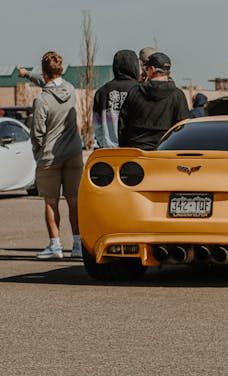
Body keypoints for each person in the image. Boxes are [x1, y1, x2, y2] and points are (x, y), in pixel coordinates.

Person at [18, 51, 83, 258]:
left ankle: (55, 245)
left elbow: (37, 133)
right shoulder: (71, 90)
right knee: (74, 201)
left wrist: (38, 154)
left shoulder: (42, 101)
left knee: (51, 202)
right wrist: (28, 75)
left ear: (45, 73)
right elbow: (48, 82)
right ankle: (78, 244)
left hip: (50, 158)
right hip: (73, 154)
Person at [118, 52, 189, 150]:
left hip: (136, 151)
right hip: (165, 151)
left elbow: (122, 124)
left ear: (152, 69)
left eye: (146, 68)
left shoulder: (135, 92)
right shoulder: (178, 95)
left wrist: (123, 146)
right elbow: (182, 128)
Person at [93, 50, 139, 148]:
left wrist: (103, 144)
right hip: (134, 151)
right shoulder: (139, 90)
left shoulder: (102, 92)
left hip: (109, 151)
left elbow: (97, 125)